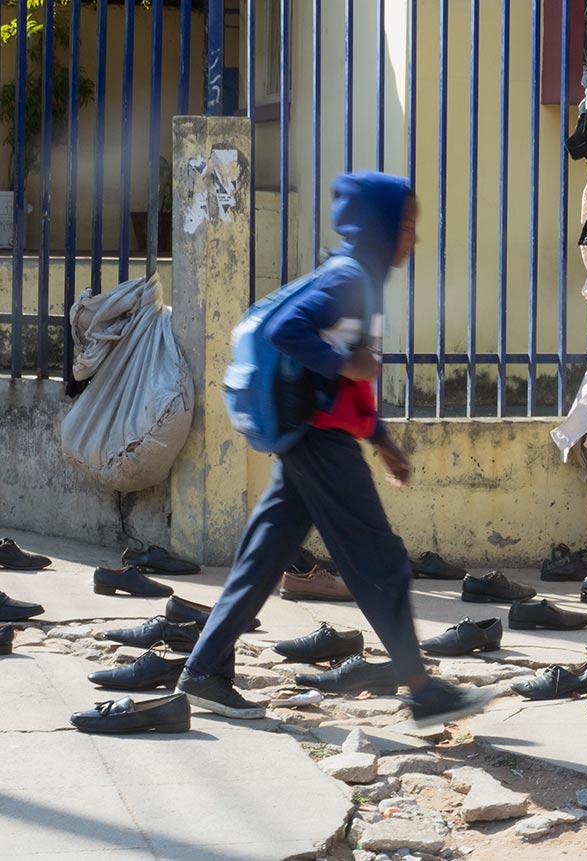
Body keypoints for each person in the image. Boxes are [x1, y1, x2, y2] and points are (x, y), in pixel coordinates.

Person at [176, 171, 492, 726]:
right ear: (380, 226)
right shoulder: (349, 278)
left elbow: (344, 380)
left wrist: (382, 441)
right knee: (379, 559)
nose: (411, 240)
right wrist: (345, 363)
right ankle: (422, 690)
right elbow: (287, 331)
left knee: (264, 557)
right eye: (406, 226)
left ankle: (204, 672)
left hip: (311, 437)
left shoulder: (356, 278)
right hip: (320, 442)